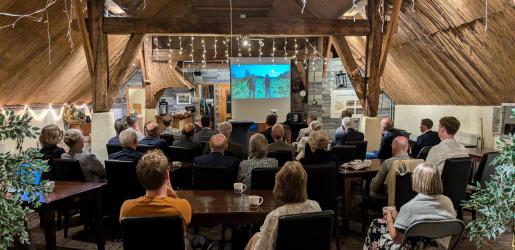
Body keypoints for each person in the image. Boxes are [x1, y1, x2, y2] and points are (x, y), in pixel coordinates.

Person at [363, 163, 457, 249]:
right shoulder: (447, 202)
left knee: (376, 224)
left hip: (412, 247)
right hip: (437, 247)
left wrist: (389, 218)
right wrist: (399, 216)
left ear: (417, 181)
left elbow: (397, 238)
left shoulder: (410, 207)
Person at [245, 161, 322, 250]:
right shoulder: (315, 206)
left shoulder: (275, 216)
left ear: (279, 186)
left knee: (255, 238)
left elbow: (263, 248)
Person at [119, 150, 191, 226]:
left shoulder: (126, 208)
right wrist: (173, 194)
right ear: (167, 175)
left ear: (139, 177)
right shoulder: (182, 206)